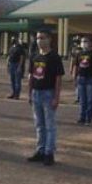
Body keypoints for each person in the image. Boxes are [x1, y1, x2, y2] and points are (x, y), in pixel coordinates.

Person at [26, 30, 64, 166]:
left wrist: (56, 97)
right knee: (39, 125)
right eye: (37, 38)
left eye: (42, 38)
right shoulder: (35, 56)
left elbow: (58, 78)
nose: (39, 41)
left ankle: (49, 153)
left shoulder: (54, 57)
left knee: (50, 125)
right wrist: (29, 93)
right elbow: (30, 75)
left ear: (49, 39)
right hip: (36, 92)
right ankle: (40, 150)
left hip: (48, 93)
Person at [72, 37, 92, 125]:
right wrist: (75, 78)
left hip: (91, 79)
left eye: (85, 41)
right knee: (82, 100)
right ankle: (82, 118)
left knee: (90, 100)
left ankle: (88, 119)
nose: (83, 43)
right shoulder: (79, 53)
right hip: (81, 78)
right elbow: (76, 66)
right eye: (82, 41)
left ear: (90, 43)